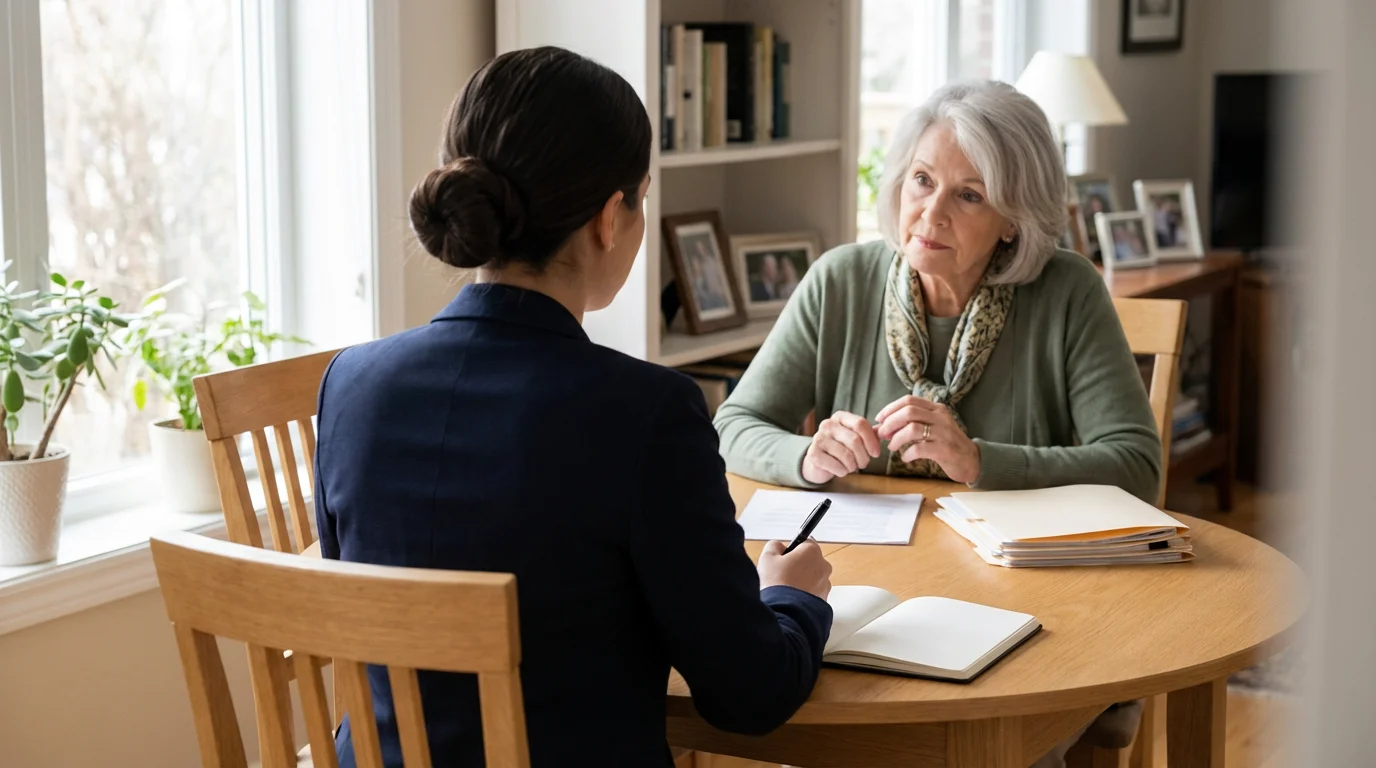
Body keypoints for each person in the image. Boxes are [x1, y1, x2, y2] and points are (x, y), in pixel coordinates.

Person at [314, 46, 833, 768]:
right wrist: (793, 599)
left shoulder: (350, 385)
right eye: (643, 198)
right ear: (608, 219)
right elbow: (748, 696)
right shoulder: (647, 413)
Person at [712, 80, 1162, 766]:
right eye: (922, 179)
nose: (931, 211)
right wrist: (807, 454)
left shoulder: (1068, 293)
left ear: (1014, 220)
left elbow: (1135, 464)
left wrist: (981, 462)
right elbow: (736, 424)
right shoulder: (841, 280)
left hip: (1030, 611)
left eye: (969, 194)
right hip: (859, 593)